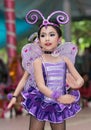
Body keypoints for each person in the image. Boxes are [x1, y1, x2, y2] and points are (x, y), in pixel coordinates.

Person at [7, 10, 84, 130]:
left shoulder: (65, 59)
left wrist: (77, 84)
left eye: (51, 35)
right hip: (41, 102)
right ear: (39, 40)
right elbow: (41, 86)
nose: (47, 39)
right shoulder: (38, 61)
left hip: (58, 106)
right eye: (43, 35)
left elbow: (79, 79)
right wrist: (14, 96)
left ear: (59, 39)